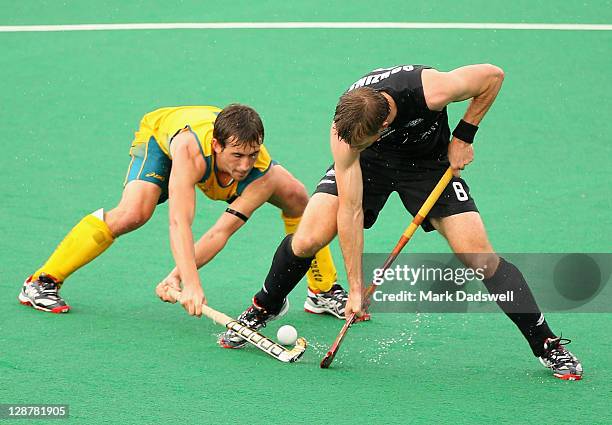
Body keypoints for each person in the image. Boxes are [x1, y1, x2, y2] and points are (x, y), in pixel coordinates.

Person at [218, 64, 583, 380]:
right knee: (309, 238)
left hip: (427, 164)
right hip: (369, 166)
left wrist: (463, 136)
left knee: (480, 257)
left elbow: (492, 76)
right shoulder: (348, 137)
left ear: (386, 124)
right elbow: (351, 210)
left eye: (365, 138)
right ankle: (264, 306)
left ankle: (546, 342)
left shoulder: (430, 89)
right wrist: (356, 288)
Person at [19, 104, 348, 320]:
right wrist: (191, 283)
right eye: (237, 155)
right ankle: (43, 280)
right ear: (217, 146)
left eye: (253, 154)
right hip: (161, 143)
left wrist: (176, 277)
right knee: (136, 211)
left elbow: (221, 231)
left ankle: (322, 289)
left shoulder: (259, 172)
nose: (246, 165)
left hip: (214, 158)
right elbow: (179, 221)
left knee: (297, 197)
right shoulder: (190, 151)